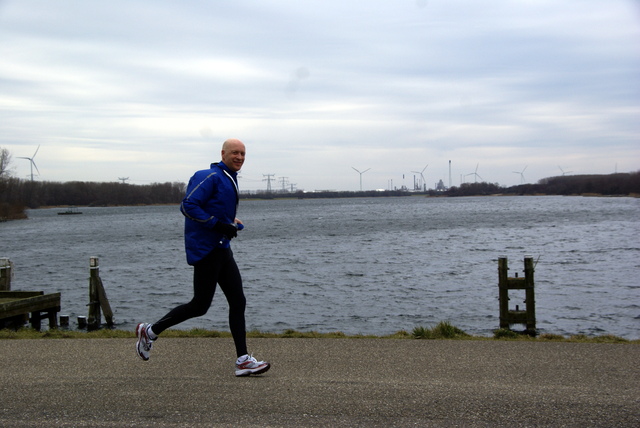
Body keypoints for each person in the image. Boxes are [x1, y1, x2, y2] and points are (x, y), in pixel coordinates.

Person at [136, 138, 270, 377]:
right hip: (206, 250)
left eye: (243, 154)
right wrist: (218, 224)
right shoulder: (209, 176)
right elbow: (188, 206)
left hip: (221, 248)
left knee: (238, 301)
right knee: (200, 305)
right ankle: (151, 331)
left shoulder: (228, 178)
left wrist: (230, 222)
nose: (239, 157)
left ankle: (243, 360)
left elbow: (214, 207)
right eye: (235, 153)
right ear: (223, 153)